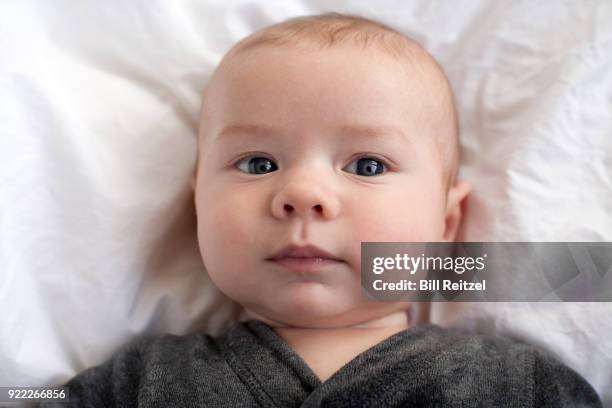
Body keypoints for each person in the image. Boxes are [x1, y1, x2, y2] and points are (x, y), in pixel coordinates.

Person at [40, 13, 602, 407]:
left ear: (446, 224)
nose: (303, 193)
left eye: (368, 166)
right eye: (258, 163)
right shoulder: (141, 379)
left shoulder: (518, 384)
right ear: (196, 206)